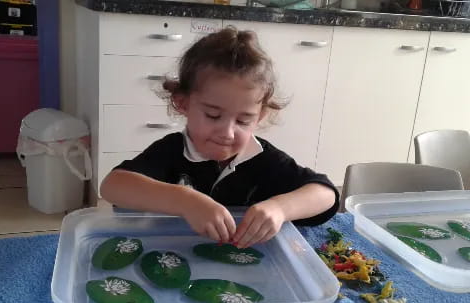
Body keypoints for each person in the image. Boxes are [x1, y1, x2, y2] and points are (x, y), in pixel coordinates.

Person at [101, 26, 339, 249]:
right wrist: (185, 201)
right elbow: (113, 186)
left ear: (260, 116)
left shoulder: (264, 160)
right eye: (213, 115)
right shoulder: (171, 151)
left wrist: (280, 208)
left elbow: (326, 194)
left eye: (243, 121)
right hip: (171, 255)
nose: (227, 132)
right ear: (182, 102)